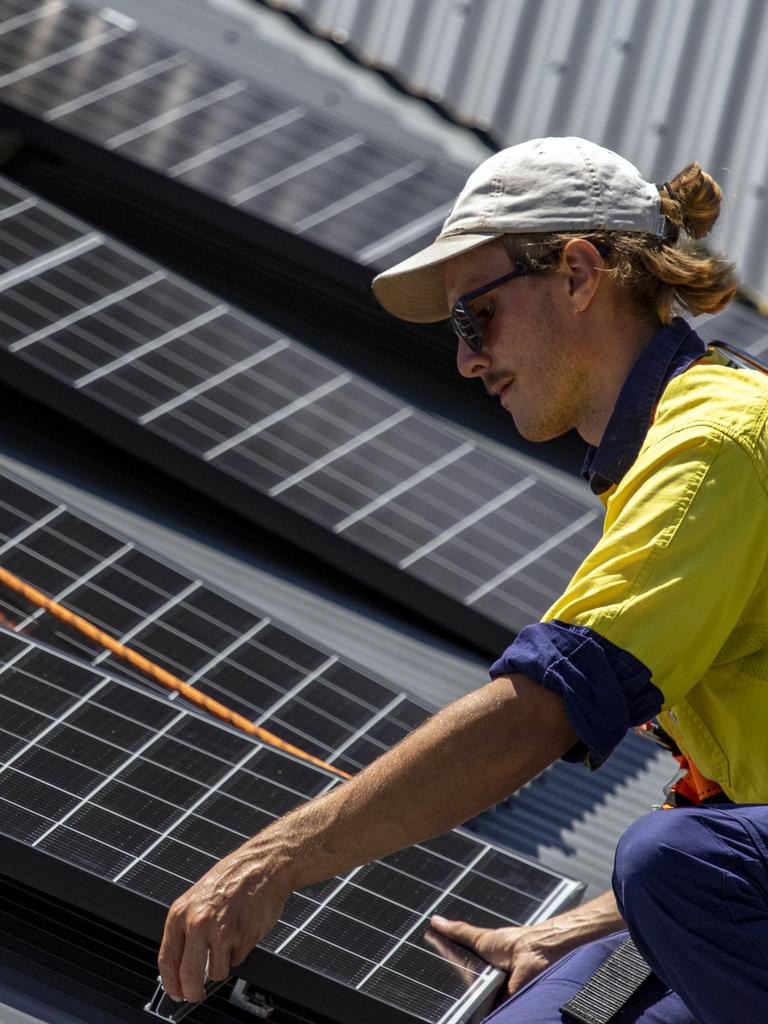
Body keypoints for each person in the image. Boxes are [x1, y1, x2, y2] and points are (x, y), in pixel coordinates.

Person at [158, 137, 768, 1023]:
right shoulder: (669, 449)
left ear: (579, 274)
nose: (466, 360)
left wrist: (273, 860)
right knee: (555, 1000)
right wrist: (573, 929)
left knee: (671, 863)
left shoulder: (716, 446)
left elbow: (543, 707)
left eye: (474, 319)